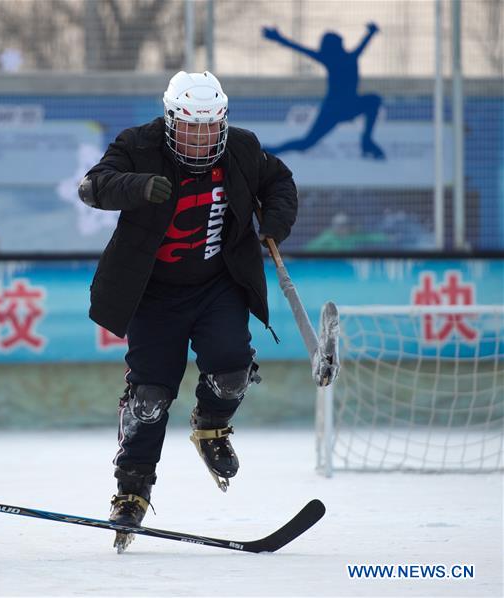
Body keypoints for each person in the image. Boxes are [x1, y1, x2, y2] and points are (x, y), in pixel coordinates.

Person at [78, 71, 298, 552]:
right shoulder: (138, 145)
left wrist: (276, 222)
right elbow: (92, 187)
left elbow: (278, 180)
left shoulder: (241, 148)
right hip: (153, 292)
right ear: (170, 120)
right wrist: (135, 186)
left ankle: (210, 427)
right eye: (190, 128)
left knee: (233, 369)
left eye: (210, 127)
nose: (201, 139)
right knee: (150, 397)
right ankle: (131, 492)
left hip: (217, 284)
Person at [261, 23, 385, 159]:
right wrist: (371, 32)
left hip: (335, 109)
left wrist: (278, 38)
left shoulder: (331, 59)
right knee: (373, 100)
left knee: (306, 143)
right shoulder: (349, 58)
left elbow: (299, 48)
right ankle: (366, 141)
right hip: (341, 108)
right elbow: (363, 44)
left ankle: (366, 142)